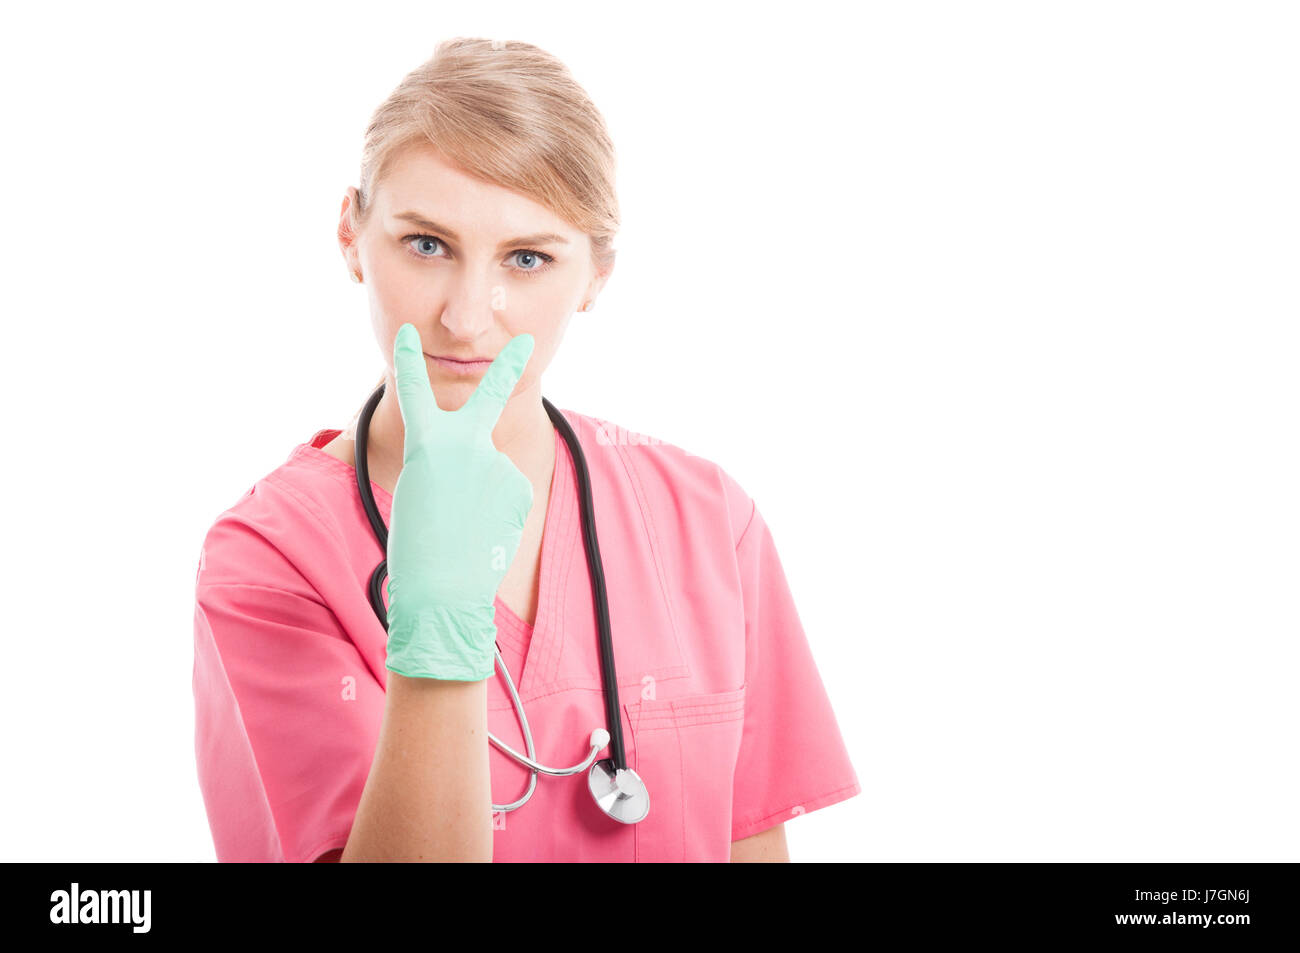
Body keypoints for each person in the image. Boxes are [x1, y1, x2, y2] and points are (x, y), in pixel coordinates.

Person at [192, 36, 859, 863]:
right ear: (349, 235)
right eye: (426, 244)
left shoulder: (709, 520)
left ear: (596, 276)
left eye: (529, 257)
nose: (469, 316)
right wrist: (439, 630)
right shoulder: (268, 558)